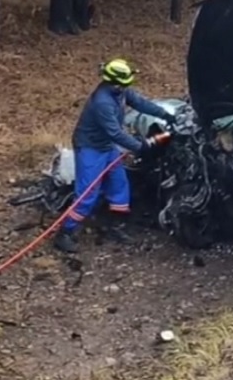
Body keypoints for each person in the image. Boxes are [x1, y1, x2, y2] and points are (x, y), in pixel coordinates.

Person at [54, 59, 174, 254]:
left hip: (107, 146)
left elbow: (140, 103)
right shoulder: (103, 102)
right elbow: (115, 133)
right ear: (115, 82)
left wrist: (165, 115)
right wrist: (140, 147)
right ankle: (65, 233)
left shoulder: (120, 92)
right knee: (87, 194)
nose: (128, 86)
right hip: (90, 148)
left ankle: (114, 226)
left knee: (119, 185)